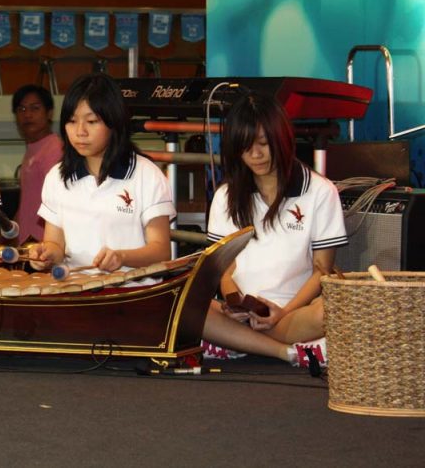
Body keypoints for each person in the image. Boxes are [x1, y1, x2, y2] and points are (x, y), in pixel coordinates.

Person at [200, 92, 347, 365]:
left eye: (264, 144)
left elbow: (323, 270)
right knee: (183, 306)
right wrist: (234, 302)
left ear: (281, 139)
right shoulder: (226, 196)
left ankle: (235, 341)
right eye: (245, 147)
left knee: (332, 311)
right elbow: (225, 269)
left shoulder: (319, 191)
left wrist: (283, 312)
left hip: (294, 312)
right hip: (243, 312)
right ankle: (291, 352)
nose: (255, 155)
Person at [30, 73, 174, 277]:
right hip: (75, 292)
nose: (80, 131)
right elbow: (56, 244)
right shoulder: (57, 177)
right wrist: (46, 254)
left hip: (132, 295)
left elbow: (161, 251)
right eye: (72, 121)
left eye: (91, 121)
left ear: (113, 122)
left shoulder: (146, 175)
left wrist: (121, 257)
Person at [11, 84, 62, 245]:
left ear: (49, 113)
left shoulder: (55, 149)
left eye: (35, 108)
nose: (28, 115)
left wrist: (43, 240)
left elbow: (58, 202)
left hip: (43, 243)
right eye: (22, 109)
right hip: (27, 241)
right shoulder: (33, 148)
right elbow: (27, 202)